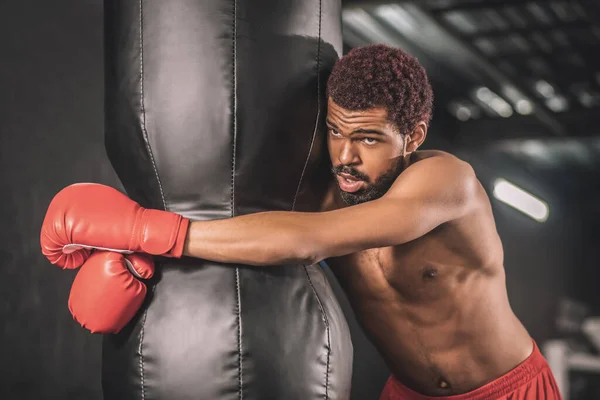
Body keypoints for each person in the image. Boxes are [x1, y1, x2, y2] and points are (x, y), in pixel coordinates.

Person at [41, 44, 561, 399]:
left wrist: (145, 229)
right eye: (336, 131)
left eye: (370, 138)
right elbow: (253, 226)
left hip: (508, 387)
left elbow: (308, 242)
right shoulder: (327, 186)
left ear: (415, 136)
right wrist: (139, 251)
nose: (347, 156)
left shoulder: (447, 183)